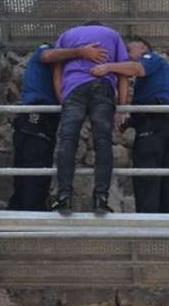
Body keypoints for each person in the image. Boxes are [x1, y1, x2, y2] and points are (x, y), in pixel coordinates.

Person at [8, 41, 108, 211]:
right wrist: (80, 52)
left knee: (41, 166)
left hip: (47, 119)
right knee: (33, 163)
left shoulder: (59, 63)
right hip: (36, 114)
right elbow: (47, 56)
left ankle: (33, 208)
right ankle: (27, 210)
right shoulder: (47, 49)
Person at [90, 37, 169, 213]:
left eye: (128, 49)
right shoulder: (151, 79)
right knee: (167, 183)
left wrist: (108, 67)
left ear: (142, 48)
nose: (125, 53)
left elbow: (136, 69)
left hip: (155, 125)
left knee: (147, 181)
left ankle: (149, 231)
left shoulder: (151, 59)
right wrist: (130, 122)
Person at [52, 22, 129, 215]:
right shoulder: (113, 33)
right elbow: (123, 73)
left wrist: (62, 98)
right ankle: (100, 199)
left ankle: (64, 197)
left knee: (68, 141)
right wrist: (122, 105)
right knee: (103, 141)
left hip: (73, 88)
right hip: (102, 87)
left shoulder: (67, 33)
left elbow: (57, 71)